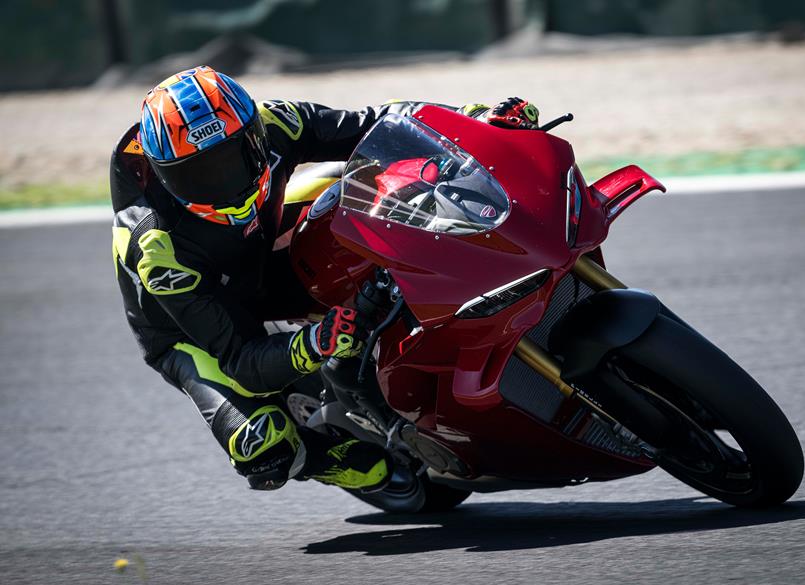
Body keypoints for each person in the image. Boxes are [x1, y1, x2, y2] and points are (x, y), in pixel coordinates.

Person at [110, 65, 540, 492]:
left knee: (372, 195)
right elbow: (240, 361)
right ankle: (323, 461)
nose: (222, 186)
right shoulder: (157, 248)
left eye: (230, 161)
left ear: (255, 136)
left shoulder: (275, 122)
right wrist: (316, 343)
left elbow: (381, 125)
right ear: (164, 173)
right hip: (190, 324)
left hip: (261, 246)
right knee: (261, 446)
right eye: (197, 176)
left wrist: (472, 121)